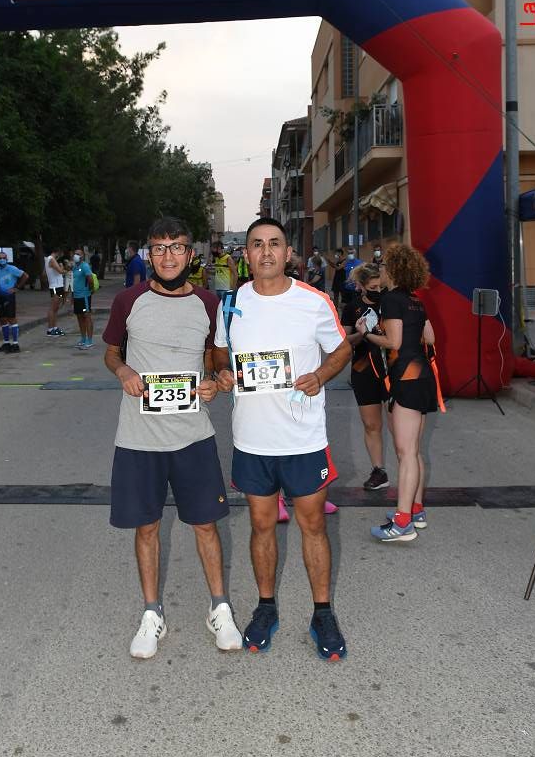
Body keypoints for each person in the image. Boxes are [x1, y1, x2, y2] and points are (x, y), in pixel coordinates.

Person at [103, 216, 242, 659]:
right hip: (139, 436)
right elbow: (111, 351)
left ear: (189, 254)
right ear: (148, 254)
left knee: (205, 524)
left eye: (176, 247)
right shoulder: (128, 301)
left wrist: (216, 381)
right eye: (158, 248)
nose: (167, 256)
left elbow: (215, 358)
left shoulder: (207, 303)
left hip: (192, 435)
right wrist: (122, 370)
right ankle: (151, 614)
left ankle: (219, 608)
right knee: (146, 526)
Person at [214, 217, 352, 660]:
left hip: (303, 440)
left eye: (275, 244)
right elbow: (219, 347)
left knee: (313, 526)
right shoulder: (231, 302)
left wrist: (319, 375)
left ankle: (323, 611)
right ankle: (266, 606)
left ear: (288, 252)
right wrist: (222, 370)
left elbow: (342, 348)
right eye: (257, 245)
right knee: (261, 526)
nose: (266, 252)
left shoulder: (314, 302)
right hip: (252, 441)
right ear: (246, 254)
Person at [357, 244, 441, 543]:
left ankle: (402, 522)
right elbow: (429, 337)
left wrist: (366, 332)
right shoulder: (416, 301)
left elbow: (392, 341)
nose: (380, 268)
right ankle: (415, 511)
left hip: (405, 379)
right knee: (414, 450)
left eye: (383, 265)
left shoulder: (392, 300)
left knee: (405, 453)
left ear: (392, 269)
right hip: (423, 377)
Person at [341, 264, 391, 490]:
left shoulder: (390, 303)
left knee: (398, 425)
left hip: (392, 370)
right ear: (360, 286)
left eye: (379, 286)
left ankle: (408, 465)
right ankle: (379, 471)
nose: (377, 290)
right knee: (372, 425)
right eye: (372, 287)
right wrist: (362, 335)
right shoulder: (352, 307)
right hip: (364, 371)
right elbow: (344, 341)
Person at [0, 252, 28, 353]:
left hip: (9, 297)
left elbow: (25, 276)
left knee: (11, 319)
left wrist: (17, 287)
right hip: (0, 297)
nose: (2, 259)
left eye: (4, 258)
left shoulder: (12, 268)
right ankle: (6, 343)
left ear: (7, 259)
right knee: (3, 319)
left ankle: (16, 344)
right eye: (0, 258)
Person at [71, 248, 94, 349]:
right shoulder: (75, 267)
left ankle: (89, 341)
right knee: (79, 317)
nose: (75, 255)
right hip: (76, 296)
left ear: (82, 256)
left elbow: (90, 279)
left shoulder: (85, 266)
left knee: (86, 317)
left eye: (78, 254)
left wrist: (90, 290)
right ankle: (83, 339)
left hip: (84, 296)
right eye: (75, 253)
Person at [44, 247, 66, 335]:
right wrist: (62, 266)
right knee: (53, 308)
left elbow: (44, 274)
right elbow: (60, 271)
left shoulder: (49, 260)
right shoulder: (51, 259)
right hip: (55, 286)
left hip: (59, 286)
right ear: (57, 252)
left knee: (56, 308)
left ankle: (54, 327)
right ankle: (50, 329)